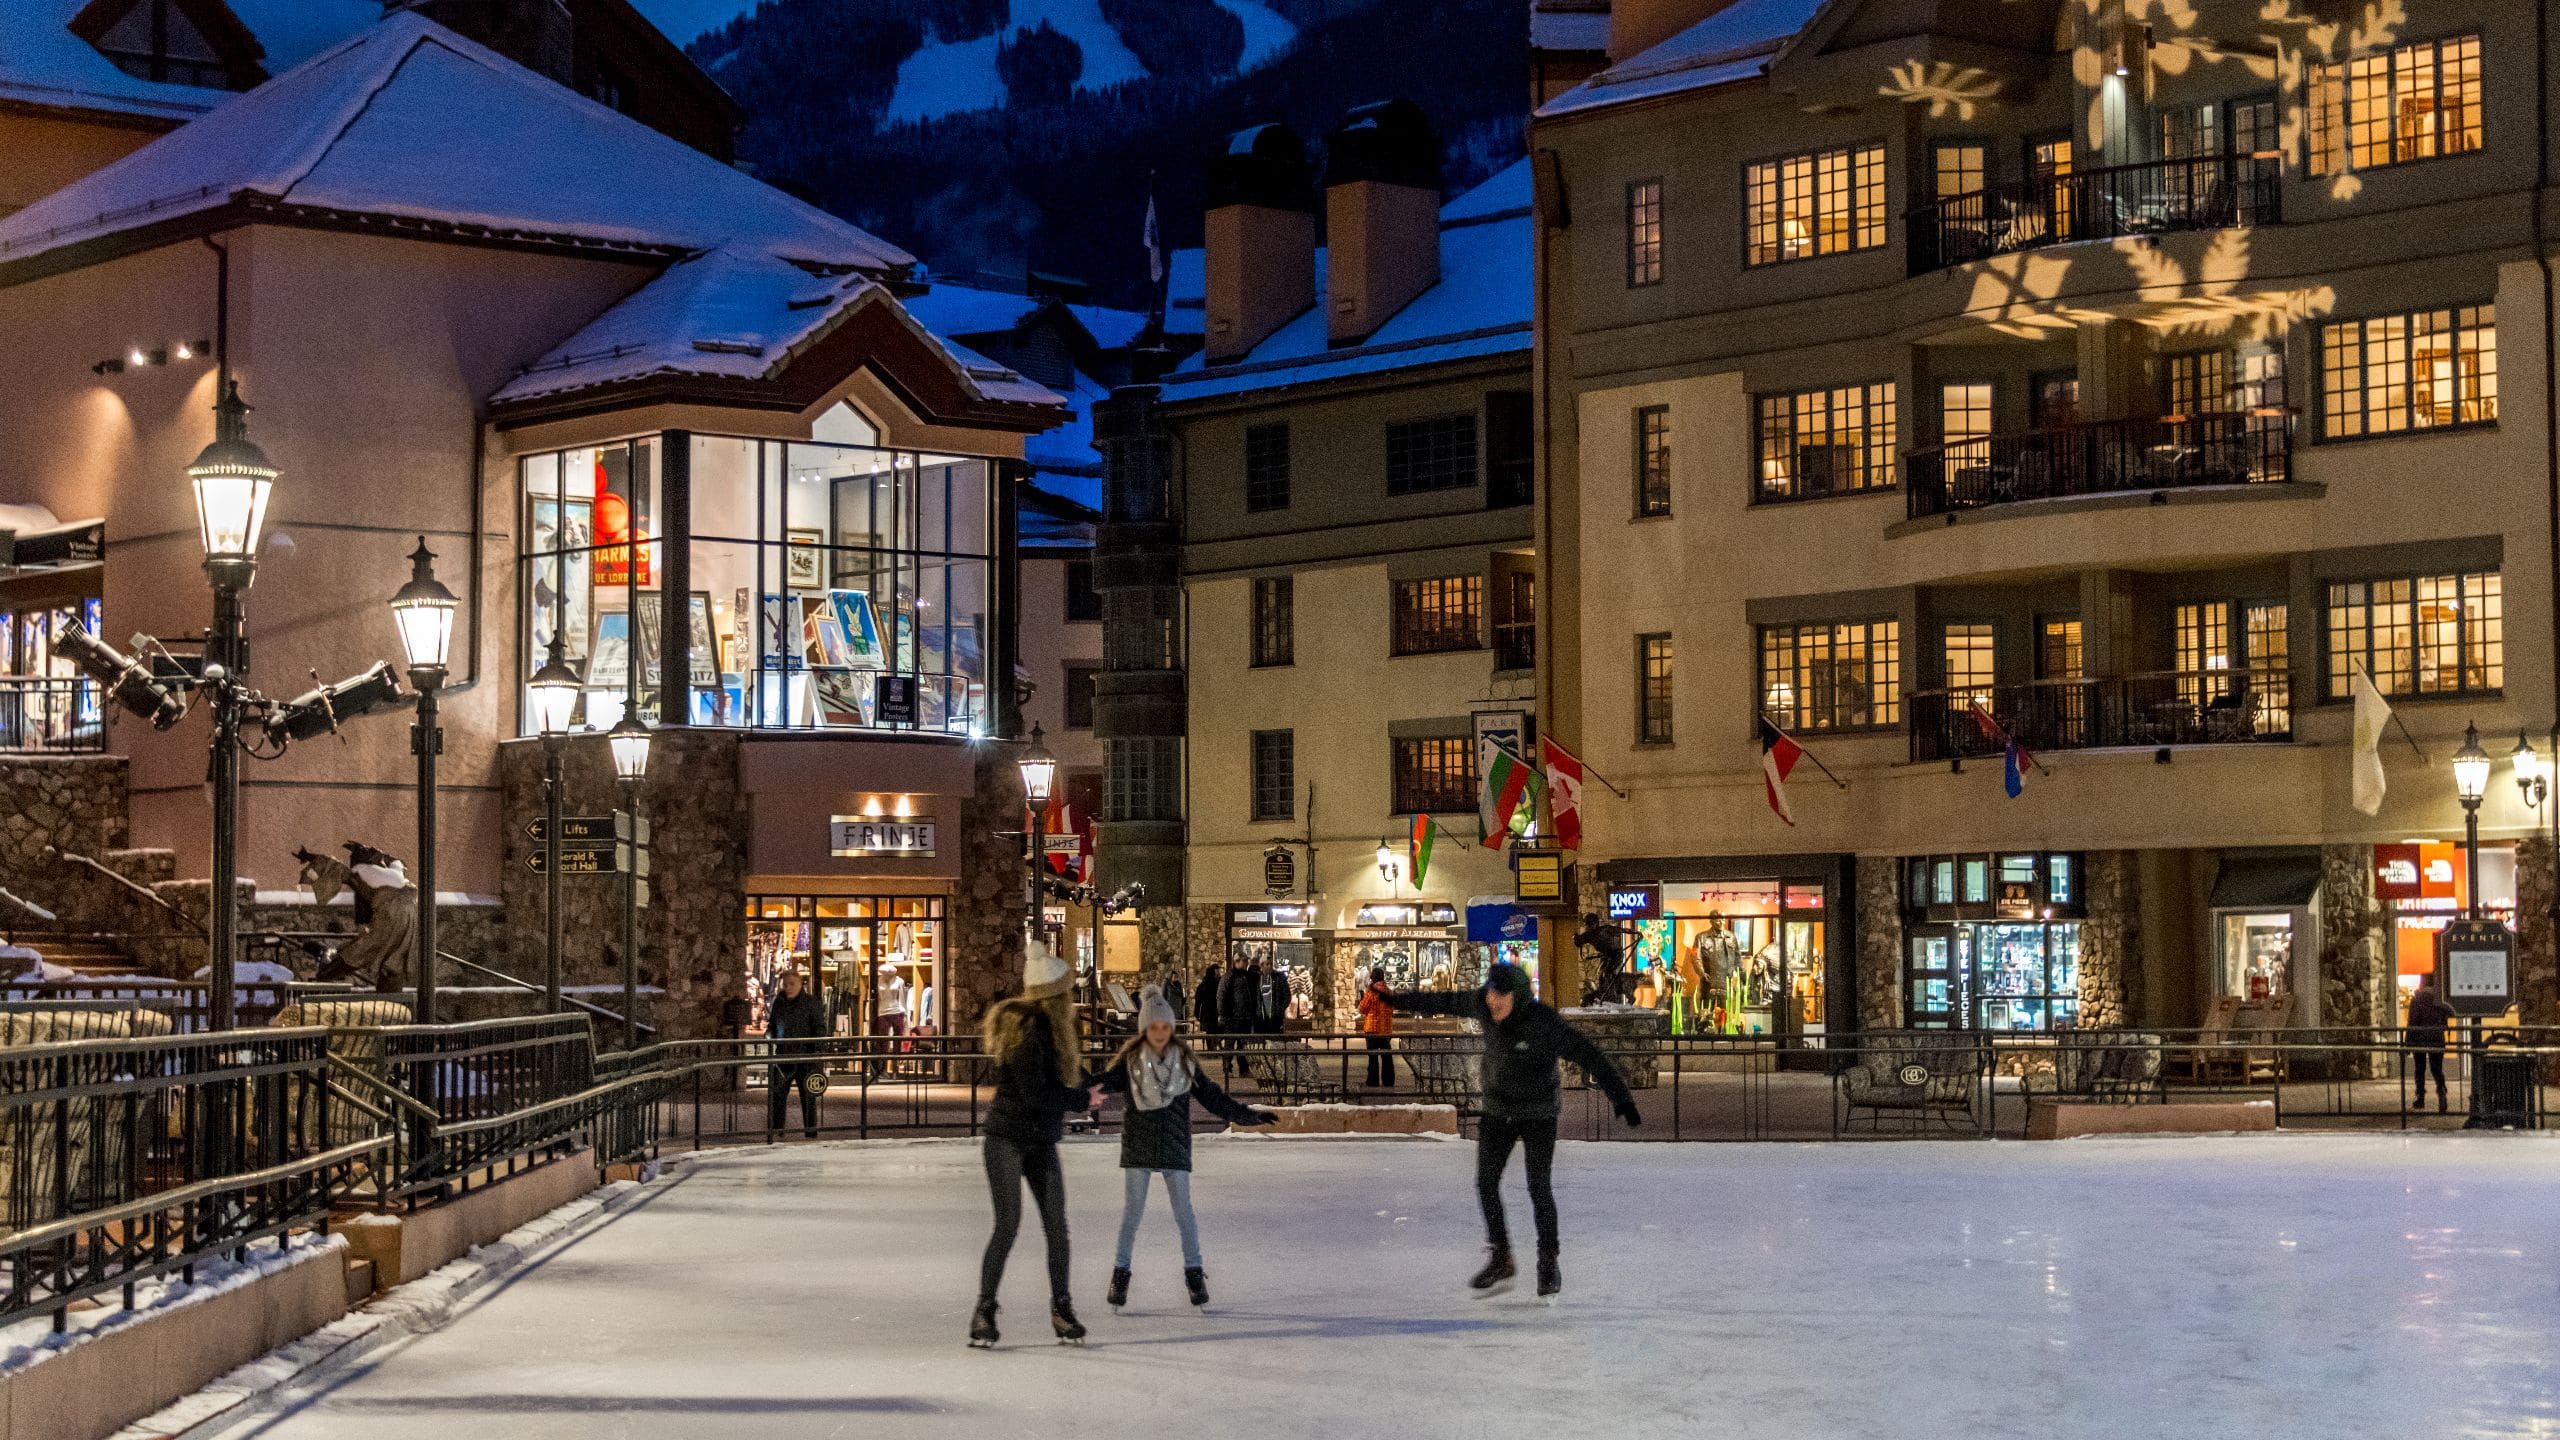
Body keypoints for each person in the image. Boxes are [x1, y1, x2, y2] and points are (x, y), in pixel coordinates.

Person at [1385, 962, 1639, 1299]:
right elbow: (1444, 1001)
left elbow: (1588, 1054)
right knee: (1486, 1183)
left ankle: (1548, 1261)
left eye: (1500, 995)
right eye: (1490, 992)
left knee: (1538, 1187)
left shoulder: (1542, 1022)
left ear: (1516, 996)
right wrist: (1395, 1001)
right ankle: (1501, 1256)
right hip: (1498, 1110)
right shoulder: (1483, 1004)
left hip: (1538, 1113)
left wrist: (1621, 1098)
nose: (1492, 1001)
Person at [1093, 985, 1276, 1309]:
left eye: (1165, 1027)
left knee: (1184, 1214)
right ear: (1144, 1028)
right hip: (1139, 1145)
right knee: (1132, 1214)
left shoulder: (1185, 1064)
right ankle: (1120, 1274)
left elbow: (1213, 1097)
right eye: (1154, 1027)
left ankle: (1194, 1274)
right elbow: (1099, 1084)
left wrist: (1247, 1115)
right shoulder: (1130, 1063)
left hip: (1175, 1145)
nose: (1160, 1033)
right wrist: (1069, 1085)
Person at [971, 940, 1094, 1349]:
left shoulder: (1054, 1032)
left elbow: (1058, 1082)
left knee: (1057, 1225)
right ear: (1054, 996)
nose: (1072, 1000)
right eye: (1067, 993)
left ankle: (1062, 1309)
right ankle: (984, 1311)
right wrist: (1080, 1099)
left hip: (1039, 1140)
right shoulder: (1027, 1032)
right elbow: (1037, 1093)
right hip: (1006, 1138)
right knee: (1008, 1224)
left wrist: (1090, 1086)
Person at [764, 967, 827, 1139]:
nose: (788, 987)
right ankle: (776, 1130)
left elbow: (819, 1028)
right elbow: (773, 1024)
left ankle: (810, 1131)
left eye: (792, 984)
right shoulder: (779, 1003)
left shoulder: (810, 1003)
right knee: (777, 1093)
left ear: (800, 984)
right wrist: (770, 1035)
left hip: (805, 1057)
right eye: (785, 984)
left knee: (808, 1096)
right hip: (784, 1056)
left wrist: (817, 1052)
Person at [2405, 978, 2455, 1114]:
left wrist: (2407, 1043)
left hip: (2419, 1038)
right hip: (2437, 1037)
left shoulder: (2417, 999)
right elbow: (2451, 1012)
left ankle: (2420, 1097)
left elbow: (2412, 1022)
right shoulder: (2440, 1000)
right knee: (2436, 1069)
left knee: (2419, 1069)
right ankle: (2441, 1091)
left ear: (2422, 983)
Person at [1358, 965, 1397, 1087]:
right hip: (1386, 1029)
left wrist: (1362, 998)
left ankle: (1373, 1081)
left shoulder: (1371, 993)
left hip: (1372, 1029)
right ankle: (1388, 1081)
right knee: (1387, 1057)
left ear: (1373, 978)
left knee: (1373, 1057)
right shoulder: (1389, 992)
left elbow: (1362, 1009)